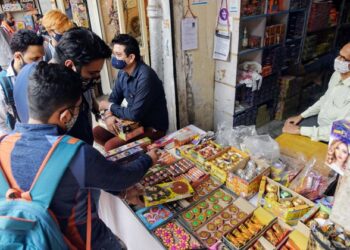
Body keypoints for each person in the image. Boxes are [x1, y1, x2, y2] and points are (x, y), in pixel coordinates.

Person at [0, 61, 158, 249]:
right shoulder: (75, 154)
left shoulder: (3, 145)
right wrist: (148, 159)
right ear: (65, 116)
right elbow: (121, 178)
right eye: (77, 109)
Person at [14, 27, 111, 145]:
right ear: (70, 66)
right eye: (92, 73)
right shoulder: (63, 93)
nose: (96, 78)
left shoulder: (26, 71)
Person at [93, 34, 169, 151]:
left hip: (152, 128)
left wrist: (109, 106)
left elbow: (134, 114)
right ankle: (126, 157)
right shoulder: (123, 72)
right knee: (97, 133)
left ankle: (131, 157)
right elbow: (114, 98)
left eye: (118, 55)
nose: (114, 58)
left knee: (111, 146)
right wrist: (109, 116)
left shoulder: (146, 77)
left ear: (131, 57)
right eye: (114, 54)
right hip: (133, 123)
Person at [283, 43, 350, 142]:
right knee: (287, 131)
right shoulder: (337, 75)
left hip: (336, 139)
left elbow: (340, 131)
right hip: (320, 124)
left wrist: (300, 130)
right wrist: (301, 116)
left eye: (343, 58)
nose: (338, 60)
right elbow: (326, 99)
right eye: (339, 55)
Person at [0, 29, 44, 136]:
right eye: (35, 59)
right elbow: (2, 125)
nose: (41, 63)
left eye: (42, 57)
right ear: (18, 57)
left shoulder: (43, 74)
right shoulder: (3, 85)